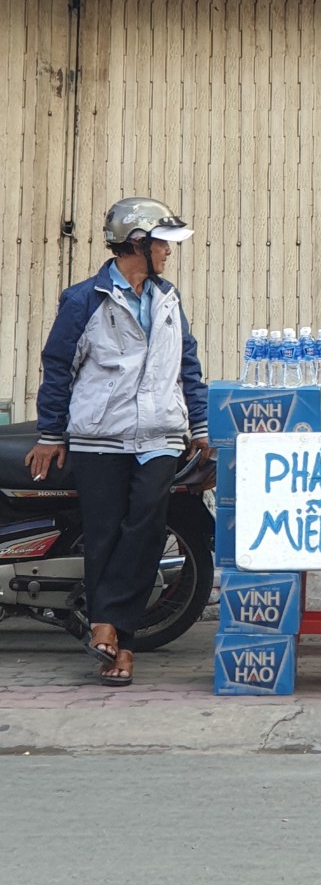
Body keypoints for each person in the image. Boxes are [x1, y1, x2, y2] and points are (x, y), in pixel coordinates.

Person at [24, 197, 213, 686]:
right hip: (99, 438)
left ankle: (113, 628)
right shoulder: (84, 299)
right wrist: (51, 433)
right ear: (137, 243)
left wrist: (200, 427)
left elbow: (186, 366)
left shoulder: (168, 299)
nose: (170, 253)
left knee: (147, 528)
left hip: (159, 437)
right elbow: (59, 367)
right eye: (163, 243)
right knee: (104, 534)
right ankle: (118, 646)